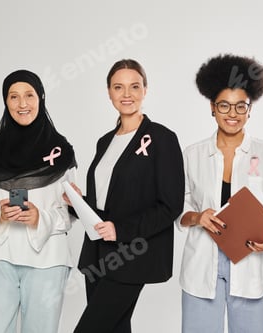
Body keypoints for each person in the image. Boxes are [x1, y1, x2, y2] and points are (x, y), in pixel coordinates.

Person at [177, 54, 263, 332]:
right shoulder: (193, 155)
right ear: (212, 108)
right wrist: (197, 217)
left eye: (240, 106)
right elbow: (177, 205)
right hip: (202, 266)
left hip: (251, 267)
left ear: (249, 108)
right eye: (224, 106)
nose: (233, 114)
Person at [71, 59, 185, 333]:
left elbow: (170, 205)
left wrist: (120, 230)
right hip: (97, 254)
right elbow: (108, 202)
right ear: (109, 93)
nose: (127, 94)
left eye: (134, 86)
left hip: (132, 254)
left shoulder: (161, 138)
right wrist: (77, 202)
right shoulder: (105, 141)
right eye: (118, 87)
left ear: (145, 90)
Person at [0, 69, 78, 333]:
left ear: (40, 97)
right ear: (5, 102)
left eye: (29, 95)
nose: (22, 104)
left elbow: (70, 211)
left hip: (47, 259)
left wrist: (41, 217)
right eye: (13, 96)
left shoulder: (61, 150)